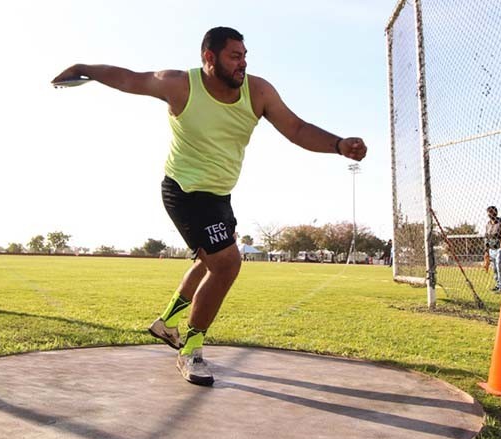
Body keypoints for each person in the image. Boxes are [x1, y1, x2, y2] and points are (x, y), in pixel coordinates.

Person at [52, 27, 367, 386]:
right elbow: (129, 79)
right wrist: (84, 68)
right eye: (235, 56)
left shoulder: (258, 91)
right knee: (227, 263)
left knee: (210, 260)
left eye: (245, 56)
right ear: (209, 58)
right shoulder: (180, 85)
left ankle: (166, 323)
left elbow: (295, 129)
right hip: (183, 191)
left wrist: (339, 144)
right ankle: (192, 350)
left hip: (218, 196)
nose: (243, 63)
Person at [484, 206, 501, 293]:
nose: (490, 214)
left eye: (492, 212)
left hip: (500, 248)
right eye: (489, 212)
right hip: (491, 248)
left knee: (499, 265)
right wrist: (486, 250)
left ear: (496, 212)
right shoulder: (488, 224)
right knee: (495, 268)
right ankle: (498, 285)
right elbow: (486, 237)